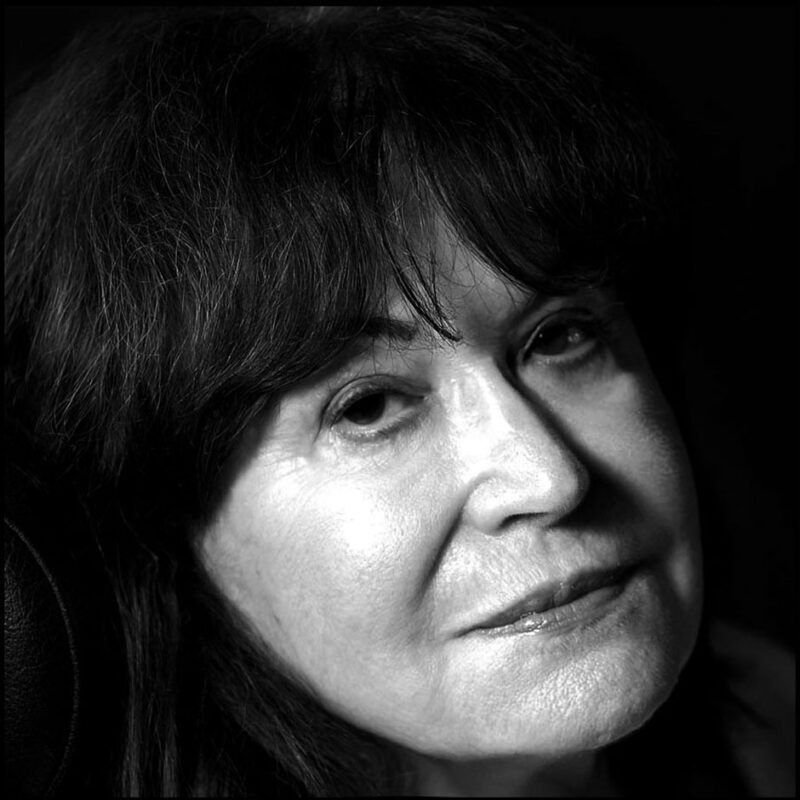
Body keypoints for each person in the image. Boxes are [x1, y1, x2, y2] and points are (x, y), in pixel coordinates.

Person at [4, 6, 794, 797]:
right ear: (172, 536)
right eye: (370, 406)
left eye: (559, 337)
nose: (549, 478)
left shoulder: (773, 718)